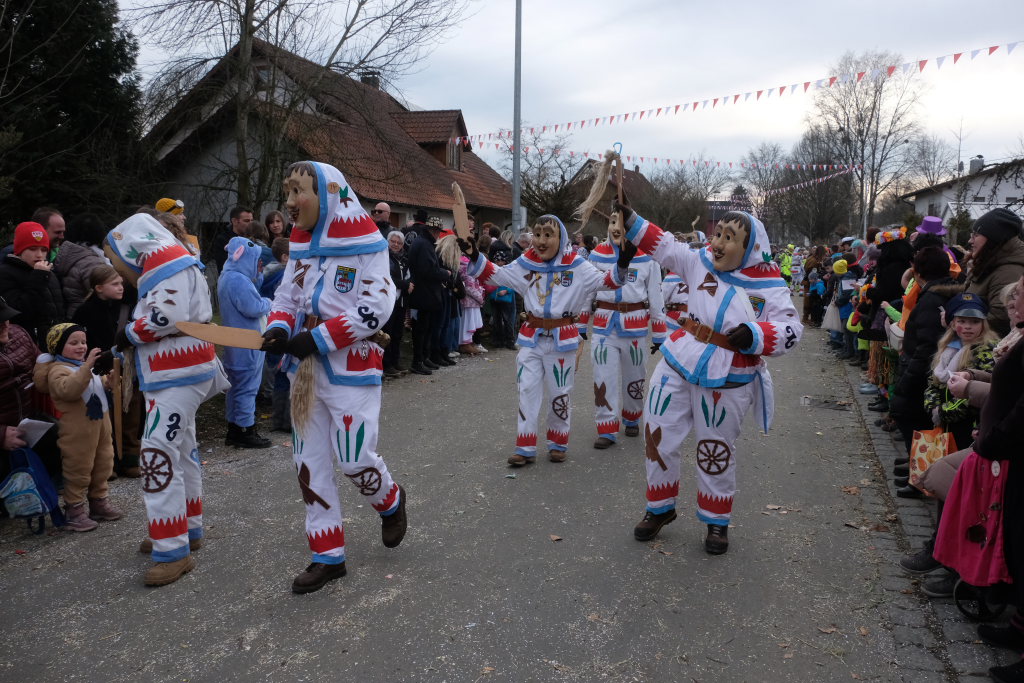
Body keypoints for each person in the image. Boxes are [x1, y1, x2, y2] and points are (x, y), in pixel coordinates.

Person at [615, 202, 802, 555]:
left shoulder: (770, 285)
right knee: (657, 434)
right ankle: (659, 507)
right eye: (717, 234)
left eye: (729, 238)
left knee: (714, 448)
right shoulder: (697, 261)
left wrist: (756, 334)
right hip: (679, 358)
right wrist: (633, 220)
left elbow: (792, 329)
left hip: (730, 373)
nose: (717, 243)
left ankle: (717, 520)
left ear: (749, 248)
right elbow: (666, 246)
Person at [261, 160, 407, 594]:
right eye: (288, 192)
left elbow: (376, 308)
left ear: (327, 195)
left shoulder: (368, 245)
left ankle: (390, 499)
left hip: (352, 369)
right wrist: (279, 327)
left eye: (298, 192)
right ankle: (327, 555)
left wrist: (318, 338)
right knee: (309, 464)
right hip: (304, 373)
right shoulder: (302, 244)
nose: (290, 202)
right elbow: (287, 295)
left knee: (355, 459)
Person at [108, 213, 230, 587]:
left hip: (176, 373)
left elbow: (164, 318)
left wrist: (129, 333)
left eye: (114, 258)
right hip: (179, 371)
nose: (116, 267)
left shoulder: (166, 265)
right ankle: (184, 528)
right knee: (182, 450)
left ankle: (172, 549)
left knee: (157, 454)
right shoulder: (174, 261)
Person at [460, 214, 632, 465]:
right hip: (531, 338)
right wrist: (474, 255)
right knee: (527, 390)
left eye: (548, 235)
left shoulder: (577, 265)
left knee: (559, 393)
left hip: (563, 340)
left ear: (560, 238)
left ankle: (558, 443)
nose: (541, 241)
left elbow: (605, 281)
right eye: (538, 234)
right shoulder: (526, 263)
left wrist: (623, 262)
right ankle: (525, 446)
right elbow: (498, 275)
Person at [580, 220, 667, 449]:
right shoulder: (597, 255)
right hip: (604, 326)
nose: (616, 227)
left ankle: (632, 416)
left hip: (635, 326)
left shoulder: (647, 257)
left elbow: (656, 294)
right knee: (603, 377)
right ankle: (606, 428)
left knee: (635, 377)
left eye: (622, 223)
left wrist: (659, 333)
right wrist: (581, 323)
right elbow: (587, 289)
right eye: (612, 222)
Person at [32, 323, 121, 531]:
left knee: (103, 463)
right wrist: (87, 366)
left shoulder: (84, 368)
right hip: (77, 431)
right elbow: (69, 390)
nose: (81, 346)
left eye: (83, 342)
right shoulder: (58, 370)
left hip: (100, 427)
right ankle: (74, 510)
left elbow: (98, 386)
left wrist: (110, 382)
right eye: (73, 343)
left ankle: (99, 501)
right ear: (58, 347)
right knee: (78, 468)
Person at [72, 264, 142, 478]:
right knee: (105, 420)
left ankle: (130, 460)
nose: (120, 287)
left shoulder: (128, 307)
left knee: (131, 416)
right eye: (114, 284)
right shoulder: (84, 312)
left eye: (121, 283)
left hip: (127, 369)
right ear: (99, 287)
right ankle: (107, 464)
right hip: (100, 371)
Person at [0, 298, 62, 486]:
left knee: (66, 435)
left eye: (6, 318)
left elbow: (41, 365)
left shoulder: (19, 334)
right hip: (3, 430)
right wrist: (1, 435)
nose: (5, 324)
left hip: (27, 422)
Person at [218, 236, 273, 448]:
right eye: (256, 259)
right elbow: (253, 307)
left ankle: (234, 428)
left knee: (236, 386)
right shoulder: (238, 280)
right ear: (245, 256)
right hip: (247, 342)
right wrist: (268, 302)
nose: (259, 263)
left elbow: (251, 290)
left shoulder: (228, 276)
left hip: (235, 342)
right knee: (247, 387)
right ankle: (245, 429)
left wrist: (257, 275)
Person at [0, 222, 65, 349]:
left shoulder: (49, 273)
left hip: (54, 344)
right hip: (27, 346)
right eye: (32, 249)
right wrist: (38, 278)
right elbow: (18, 312)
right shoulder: (5, 273)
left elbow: (59, 310)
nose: (39, 255)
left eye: (44, 250)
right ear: (20, 250)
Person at [964, 208, 1024, 337]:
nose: (970, 241)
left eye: (976, 235)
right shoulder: (991, 263)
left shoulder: (1009, 272)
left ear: (993, 238)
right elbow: (977, 292)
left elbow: (1000, 319)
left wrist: (957, 323)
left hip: (986, 346)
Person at [407, 210, 451, 375]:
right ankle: (418, 361)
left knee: (425, 328)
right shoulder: (424, 244)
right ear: (434, 231)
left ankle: (423, 358)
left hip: (425, 294)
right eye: (438, 232)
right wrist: (445, 273)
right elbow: (427, 270)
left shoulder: (424, 242)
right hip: (422, 294)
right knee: (421, 329)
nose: (439, 235)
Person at [383, 231, 412, 377]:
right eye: (393, 241)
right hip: (388, 301)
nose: (396, 245)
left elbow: (409, 277)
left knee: (397, 333)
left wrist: (408, 284)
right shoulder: (384, 257)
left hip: (401, 301)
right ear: (388, 242)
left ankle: (395, 361)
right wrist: (405, 285)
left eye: (399, 243)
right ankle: (386, 364)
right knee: (387, 333)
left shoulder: (404, 259)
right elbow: (387, 278)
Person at [212, 206, 254, 271]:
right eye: (246, 221)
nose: (251, 224)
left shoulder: (254, 238)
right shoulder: (223, 240)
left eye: (252, 221)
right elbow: (223, 267)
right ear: (234, 221)